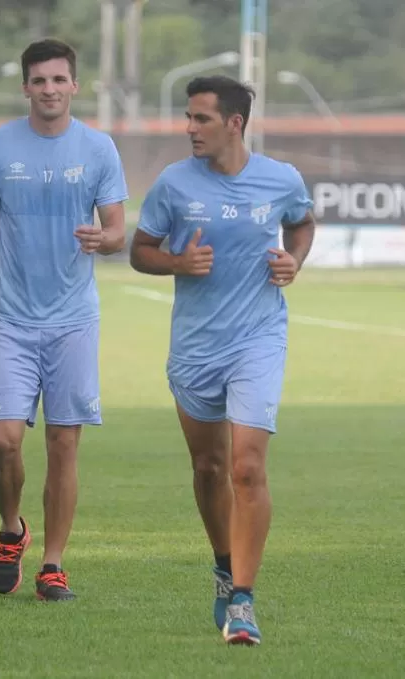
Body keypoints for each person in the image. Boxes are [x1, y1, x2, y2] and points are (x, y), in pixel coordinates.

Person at [129, 75, 316, 645]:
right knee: (209, 469)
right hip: (195, 348)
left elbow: (302, 222)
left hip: (258, 339)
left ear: (234, 123)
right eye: (188, 118)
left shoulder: (281, 180)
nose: (189, 128)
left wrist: (295, 261)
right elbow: (140, 252)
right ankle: (222, 563)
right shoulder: (173, 184)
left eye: (200, 119)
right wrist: (177, 264)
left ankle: (243, 599)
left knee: (247, 467)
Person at [0, 38, 128, 602]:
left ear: (75, 85)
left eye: (59, 80)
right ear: (25, 87)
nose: (49, 89)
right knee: (4, 443)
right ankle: (12, 529)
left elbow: (119, 228)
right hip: (11, 319)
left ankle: (53, 563)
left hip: (74, 319)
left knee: (63, 445)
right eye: (39, 81)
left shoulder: (98, 149)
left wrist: (106, 239)